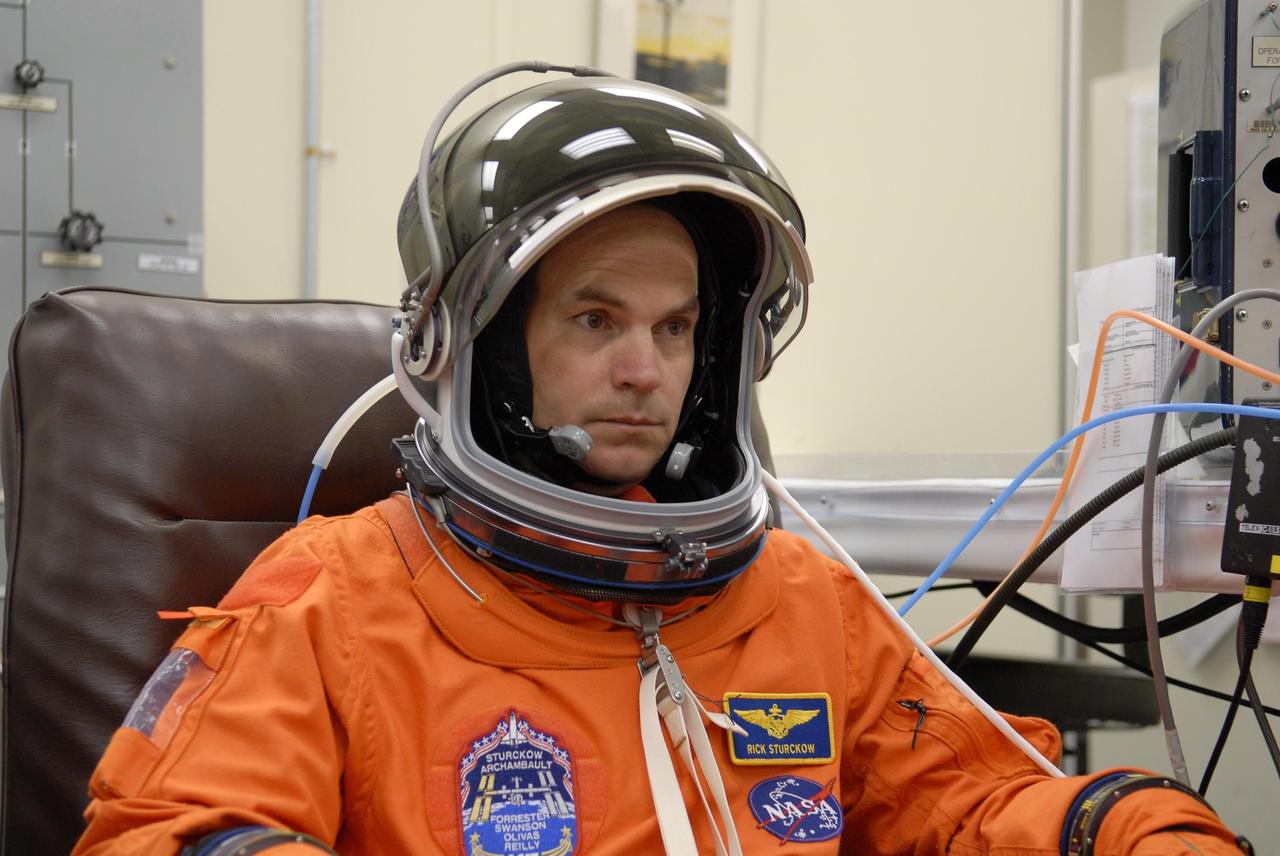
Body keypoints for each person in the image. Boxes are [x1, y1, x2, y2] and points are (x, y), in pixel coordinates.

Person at [73, 70, 1251, 856]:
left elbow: (980, 795)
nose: (647, 369)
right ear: (476, 347)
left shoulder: (799, 599)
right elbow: (174, 826)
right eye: (594, 321)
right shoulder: (330, 601)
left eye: (677, 327)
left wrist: (1135, 827)